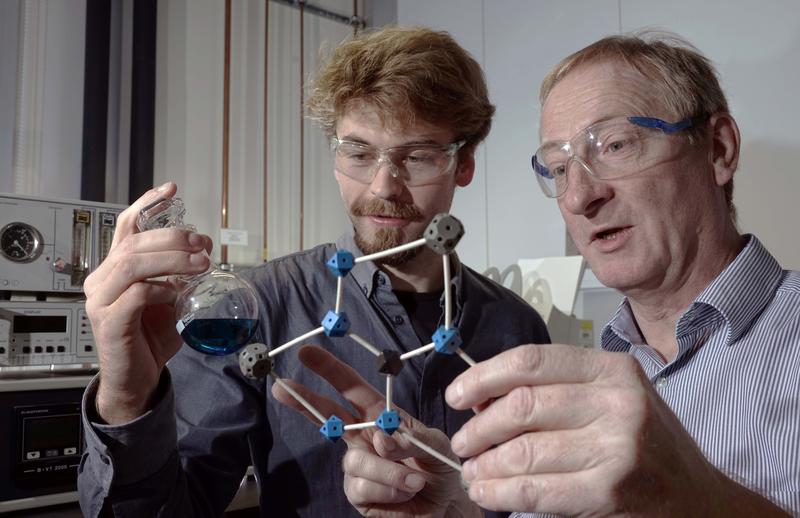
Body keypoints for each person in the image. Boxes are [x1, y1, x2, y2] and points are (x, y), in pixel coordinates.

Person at [77, 26, 550, 517]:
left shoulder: (518, 328)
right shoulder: (257, 308)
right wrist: (128, 398)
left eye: (418, 156)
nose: (384, 186)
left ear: (464, 163)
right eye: (360, 153)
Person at [336, 32, 799, 516]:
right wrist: (456, 507)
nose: (579, 197)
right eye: (558, 169)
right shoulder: (594, 372)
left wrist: (696, 500)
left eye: (616, 145)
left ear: (718, 150)